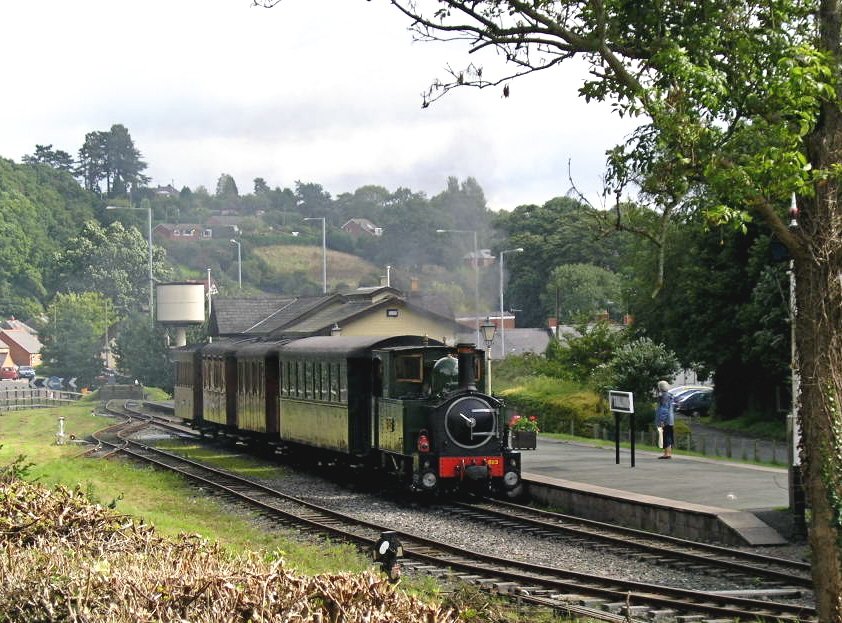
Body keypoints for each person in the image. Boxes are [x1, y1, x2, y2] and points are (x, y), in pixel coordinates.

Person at [655, 380, 675, 459]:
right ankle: (669, 453)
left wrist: (662, 420)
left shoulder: (663, 396)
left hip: (666, 420)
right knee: (669, 435)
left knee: (665, 435)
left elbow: (664, 409)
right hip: (670, 419)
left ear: (660, 388)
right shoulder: (670, 395)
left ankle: (666, 453)